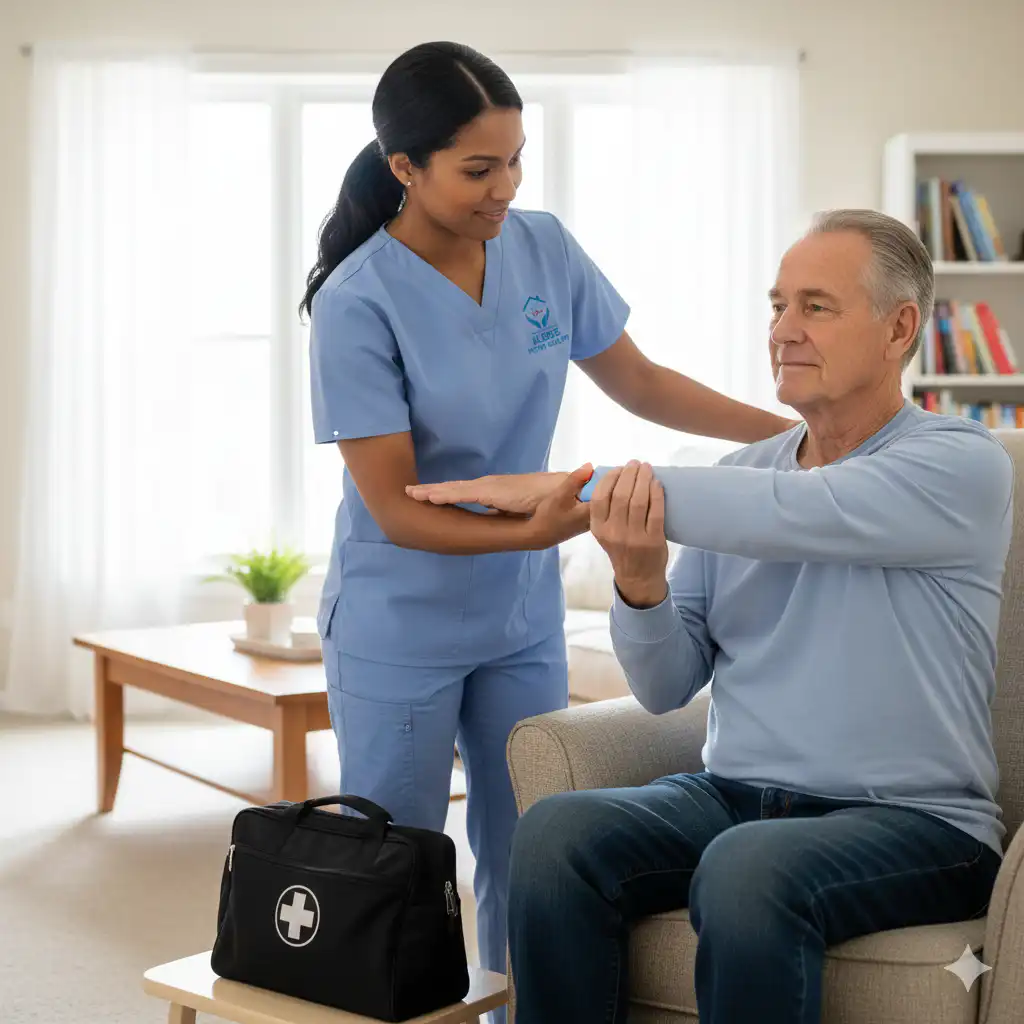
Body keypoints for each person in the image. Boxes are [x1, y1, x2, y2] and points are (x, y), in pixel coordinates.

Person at [405, 209, 1014, 1024]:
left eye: (817, 307)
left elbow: (800, 513)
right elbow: (664, 686)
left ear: (899, 328)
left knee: (747, 867)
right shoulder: (737, 476)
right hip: (735, 793)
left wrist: (580, 487)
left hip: (918, 823)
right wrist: (639, 581)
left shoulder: (957, 463)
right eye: (777, 306)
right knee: (554, 838)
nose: (784, 331)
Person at [303, 39, 795, 997]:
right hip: (398, 618)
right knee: (399, 859)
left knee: (527, 846)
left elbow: (642, 383)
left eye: (516, 159)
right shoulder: (357, 302)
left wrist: (791, 436)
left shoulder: (544, 246)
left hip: (517, 619)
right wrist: (536, 532)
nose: (505, 186)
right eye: (478, 168)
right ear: (404, 167)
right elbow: (398, 510)